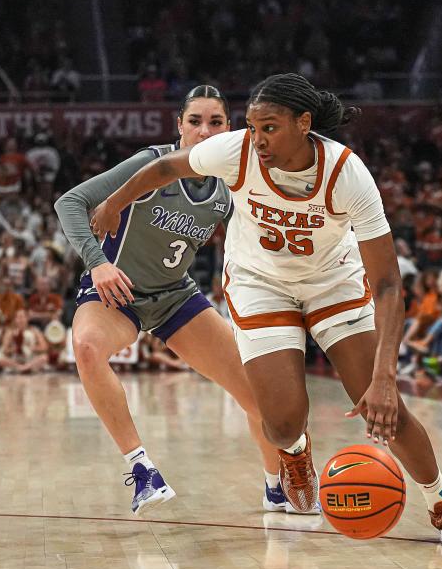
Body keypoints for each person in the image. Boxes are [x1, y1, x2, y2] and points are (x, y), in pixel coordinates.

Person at [91, 73, 442, 544]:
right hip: (261, 284)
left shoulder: (347, 173)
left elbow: (388, 284)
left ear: (304, 123)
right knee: (279, 423)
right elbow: (163, 168)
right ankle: (296, 452)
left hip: (332, 282)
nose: (258, 140)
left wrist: (385, 377)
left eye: (270, 128)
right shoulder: (235, 151)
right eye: (253, 128)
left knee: (385, 409)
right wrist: (114, 203)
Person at [55, 85, 285, 516]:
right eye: (194, 121)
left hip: (175, 295)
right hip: (115, 292)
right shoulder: (150, 163)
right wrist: (98, 262)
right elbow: (70, 203)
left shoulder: (230, 183)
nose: (203, 130)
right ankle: (142, 470)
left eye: (215, 122)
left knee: (257, 397)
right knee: (86, 349)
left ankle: (277, 487)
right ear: (178, 126)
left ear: (229, 129)